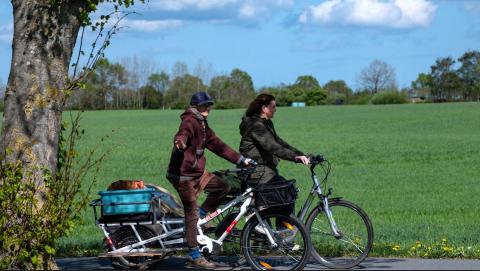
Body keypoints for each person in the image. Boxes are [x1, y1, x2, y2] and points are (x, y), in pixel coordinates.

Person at [167, 91, 251, 269]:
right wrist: (180, 143)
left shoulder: (202, 123)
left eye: (209, 105)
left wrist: (241, 160)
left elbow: (217, 145)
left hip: (196, 172)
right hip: (183, 176)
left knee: (222, 187)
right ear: (195, 107)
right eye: (205, 105)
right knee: (191, 212)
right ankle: (194, 255)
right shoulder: (190, 120)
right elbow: (182, 134)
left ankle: (201, 219)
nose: (208, 108)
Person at [239, 94, 310, 213]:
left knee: (287, 191)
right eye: (273, 107)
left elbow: (279, 142)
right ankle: (265, 222)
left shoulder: (266, 123)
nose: (275, 109)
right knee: (284, 191)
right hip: (255, 170)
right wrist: (295, 158)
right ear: (264, 108)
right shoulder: (256, 125)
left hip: (265, 170)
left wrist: (302, 155)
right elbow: (273, 147)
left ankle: (276, 226)